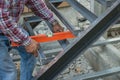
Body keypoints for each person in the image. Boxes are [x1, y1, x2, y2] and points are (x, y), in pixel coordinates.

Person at [0, 0, 64, 80]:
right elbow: (3, 20)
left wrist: (53, 21)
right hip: (4, 25)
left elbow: (36, 3)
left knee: (30, 53)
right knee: (8, 72)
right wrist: (27, 41)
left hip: (11, 26)